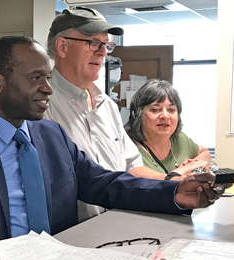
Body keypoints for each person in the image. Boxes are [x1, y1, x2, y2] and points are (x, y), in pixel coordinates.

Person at [0, 36, 221, 260]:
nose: (48, 88)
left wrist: (175, 193)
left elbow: (105, 184)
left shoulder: (51, 136)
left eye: (49, 77)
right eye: (36, 78)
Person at [44, 6, 195, 221]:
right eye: (93, 43)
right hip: (71, 236)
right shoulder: (41, 105)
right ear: (62, 47)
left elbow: (130, 169)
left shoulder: (107, 106)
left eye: (106, 45)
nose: (103, 52)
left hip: (117, 226)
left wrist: (174, 186)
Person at [124, 79, 211, 175]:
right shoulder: (128, 148)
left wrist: (192, 167)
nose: (165, 116)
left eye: (171, 110)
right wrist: (179, 173)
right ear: (138, 114)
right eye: (155, 109)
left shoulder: (179, 139)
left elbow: (204, 153)